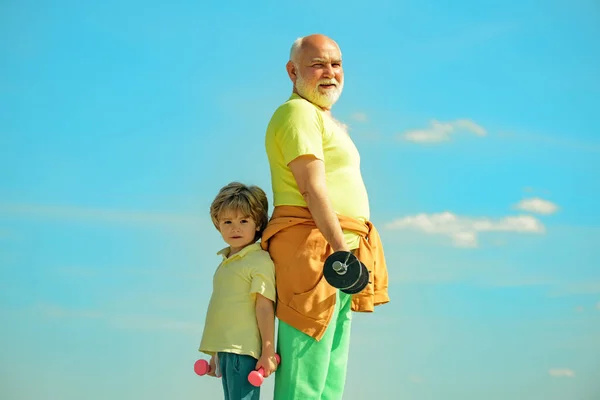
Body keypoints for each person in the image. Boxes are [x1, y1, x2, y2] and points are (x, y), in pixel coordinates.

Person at [261, 34, 391, 400]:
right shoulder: (297, 112)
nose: (330, 72)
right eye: (318, 64)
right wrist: (340, 251)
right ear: (293, 71)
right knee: (304, 374)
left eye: (336, 64)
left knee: (330, 376)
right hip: (316, 249)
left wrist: (347, 251)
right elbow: (311, 188)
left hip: (341, 250)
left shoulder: (325, 119)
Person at [198, 182, 278, 400]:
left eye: (244, 221)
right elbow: (225, 311)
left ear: (258, 224)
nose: (236, 228)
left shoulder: (258, 260)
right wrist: (216, 354)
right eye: (227, 221)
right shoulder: (227, 262)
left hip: (243, 351)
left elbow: (264, 306)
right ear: (218, 225)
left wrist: (268, 350)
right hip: (227, 350)